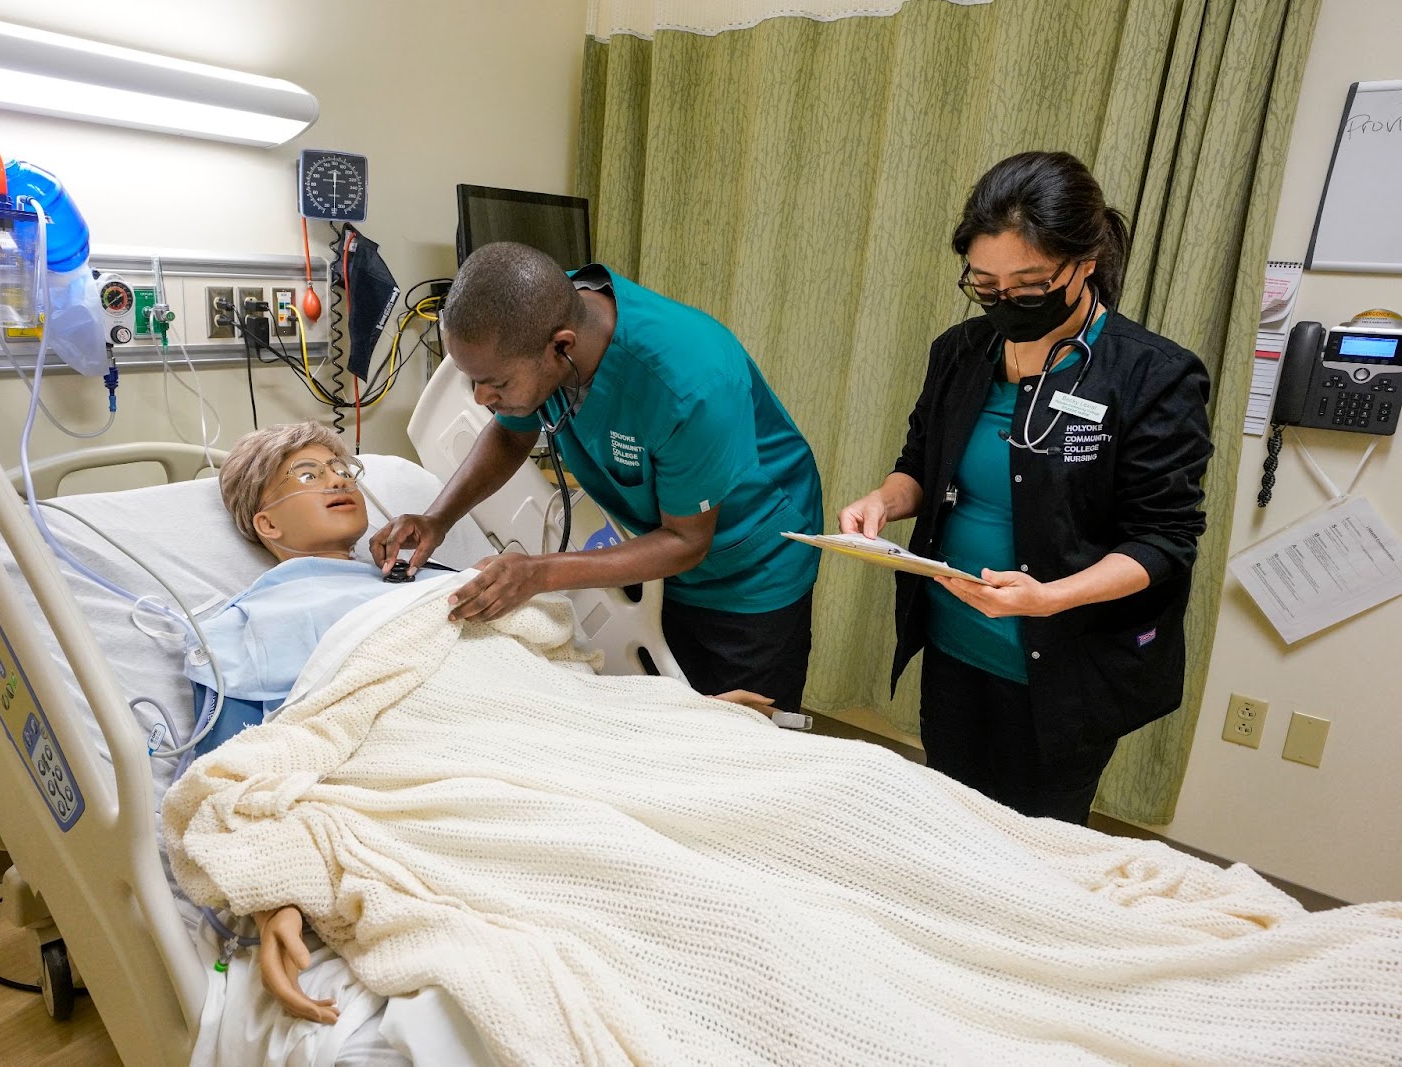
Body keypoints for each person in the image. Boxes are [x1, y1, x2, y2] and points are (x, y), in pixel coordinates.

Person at [197, 419, 781, 1023]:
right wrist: (274, 895)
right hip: (430, 754)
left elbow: (540, 681)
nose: (338, 480)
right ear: (266, 524)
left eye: (343, 468)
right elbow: (235, 769)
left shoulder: (427, 580)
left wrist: (665, 715)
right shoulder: (253, 621)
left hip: (538, 729)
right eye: (309, 474)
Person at [838, 151, 1213, 825]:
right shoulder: (960, 351)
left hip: (1062, 669)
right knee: (948, 820)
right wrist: (882, 502)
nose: (1006, 302)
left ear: (1086, 261)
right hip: (956, 646)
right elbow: (921, 463)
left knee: (1034, 846)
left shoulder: (1152, 376)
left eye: (1030, 284)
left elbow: (1164, 538)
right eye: (986, 284)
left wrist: (1049, 599)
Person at [369, 243, 824, 714]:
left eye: (497, 384)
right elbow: (509, 437)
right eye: (474, 383)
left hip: (751, 561)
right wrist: (437, 518)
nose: (482, 399)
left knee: (741, 731)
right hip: (664, 553)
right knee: (677, 714)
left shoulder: (691, 385)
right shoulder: (536, 316)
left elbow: (687, 541)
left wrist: (538, 572)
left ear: (561, 346)